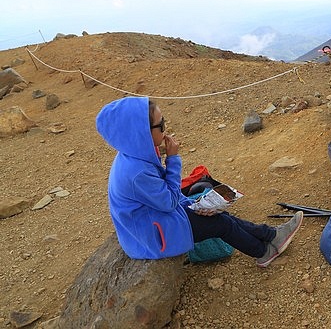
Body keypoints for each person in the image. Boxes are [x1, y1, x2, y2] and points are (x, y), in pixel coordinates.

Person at [96, 96, 303, 267]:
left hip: (155, 217)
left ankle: (272, 235)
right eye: (161, 125)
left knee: (219, 214)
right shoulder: (136, 173)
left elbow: (163, 198)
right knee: (220, 224)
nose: (166, 129)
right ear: (141, 133)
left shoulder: (135, 153)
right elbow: (168, 201)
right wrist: (174, 160)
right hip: (152, 235)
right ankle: (264, 252)